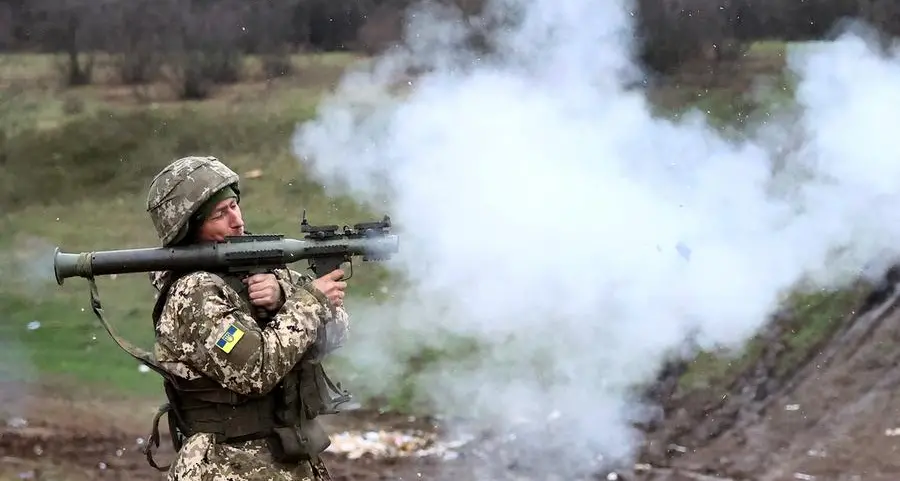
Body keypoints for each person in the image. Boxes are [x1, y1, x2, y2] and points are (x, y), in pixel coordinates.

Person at [142, 155, 351, 481]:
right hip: (227, 466)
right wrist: (309, 302)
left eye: (235, 206)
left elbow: (336, 332)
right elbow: (255, 370)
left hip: (287, 455)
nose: (237, 221)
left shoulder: (256, 264)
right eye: (219, 214)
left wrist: (284, 296)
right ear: (190, 227)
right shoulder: (192, 293)